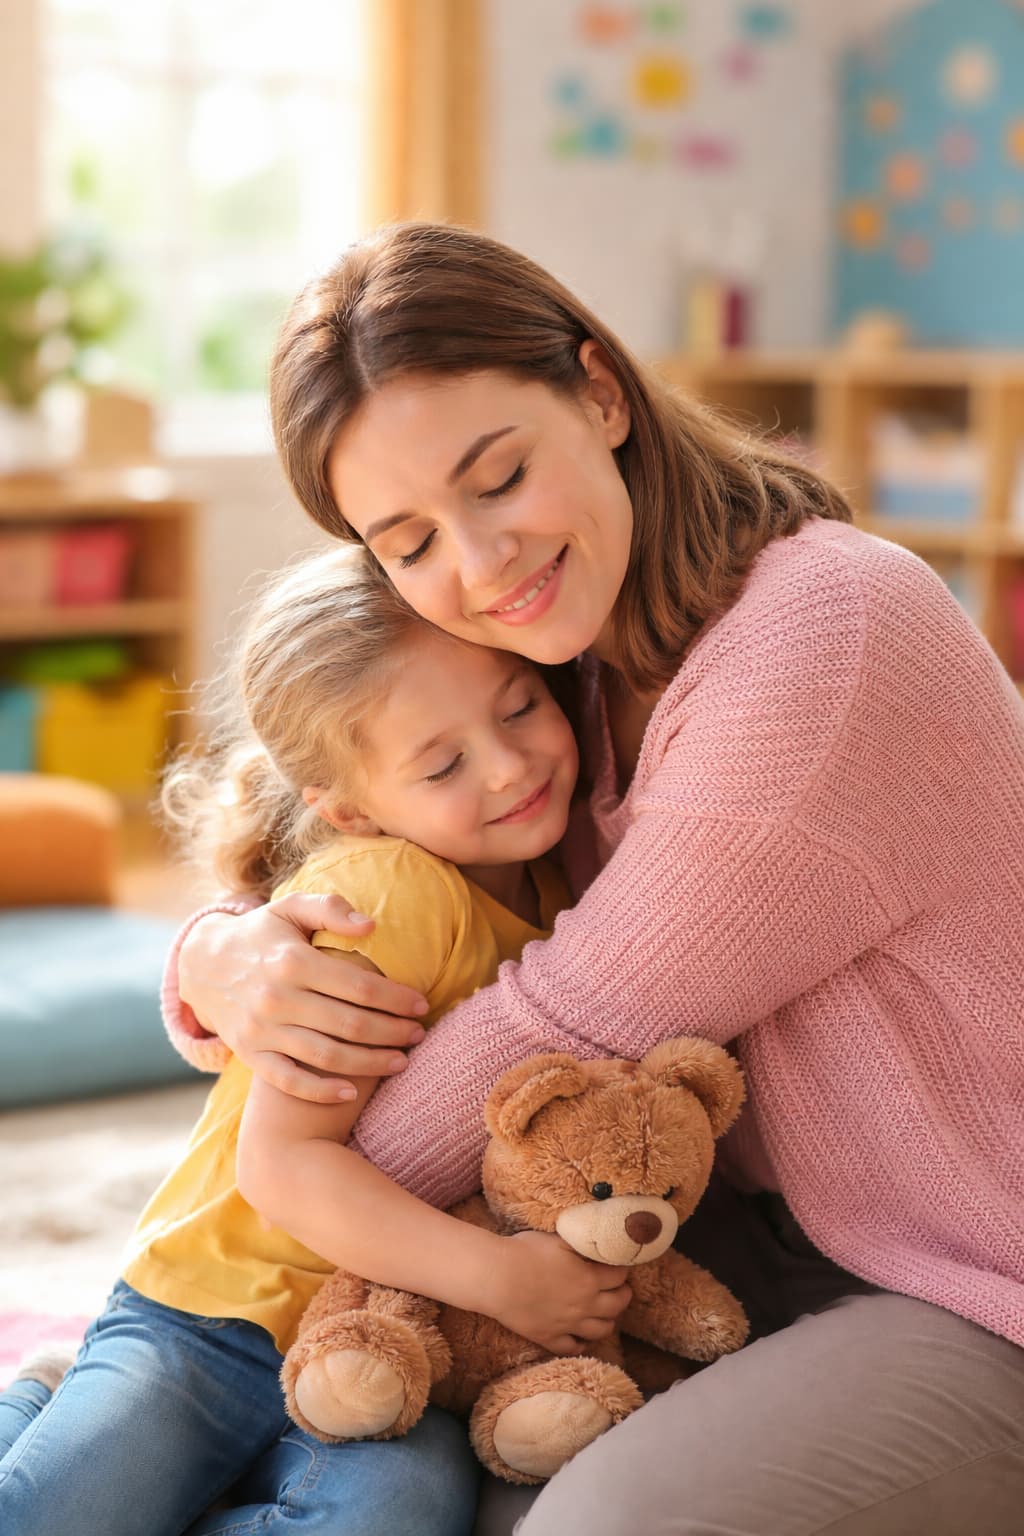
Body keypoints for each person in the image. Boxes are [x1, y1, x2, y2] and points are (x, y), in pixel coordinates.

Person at [160, 221, 1024, 1534]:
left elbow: (563, 1022)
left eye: (499, 477)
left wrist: (274, 1211)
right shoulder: (543, 665)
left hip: (968, 1274)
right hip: (706, 1240)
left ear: (600, 392)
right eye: (409, 541)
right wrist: (221, 957)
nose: (480, 565)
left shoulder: (824, 635)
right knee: (461, 1493)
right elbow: (344, 838)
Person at [0, 542, 633, 1535]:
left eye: (518, 706)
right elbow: (284, 1168)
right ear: (345, 807)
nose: (510, 765)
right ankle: (35, 1401)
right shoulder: (388, 896)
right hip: (214, 1310)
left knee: (388, 1521)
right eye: (441, 762)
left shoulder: (559, 892)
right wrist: (503, 1282)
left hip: (385, 1341)